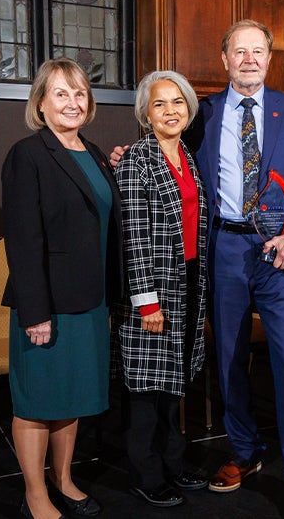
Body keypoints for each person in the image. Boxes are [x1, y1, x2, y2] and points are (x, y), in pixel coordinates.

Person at [183, 19, 284, 519]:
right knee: (228, 360)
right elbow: (172, 161)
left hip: (279, 253)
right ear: (224, 60)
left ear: (268, 59)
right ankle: (244, 452)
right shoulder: (201, 114)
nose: (248, 59)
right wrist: (126, 156)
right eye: (238, 52)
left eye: (257, 51)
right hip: (224, 247)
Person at [1, 58, 120, 519]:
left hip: (90, 302)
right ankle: (35, 494)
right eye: (61, 94)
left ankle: (64, 479)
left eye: (79, 94)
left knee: (71, 398)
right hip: (47, 304)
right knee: (37, 403)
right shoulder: (28, 154)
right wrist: (34, 312)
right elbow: (23, 240)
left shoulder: (93, 153)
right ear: (41, 104)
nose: (73, 103)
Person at [115, 70, 210, 507]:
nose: (170, 110)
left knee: (174, 385)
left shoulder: (187, 156)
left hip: (188, 281)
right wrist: (146, 300)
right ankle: (146, 473)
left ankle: (173, 462)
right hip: (153, 289)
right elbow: (132, 236)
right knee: (147, 390)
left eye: (177, 102)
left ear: (188, 109)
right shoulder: (137, 159)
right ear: (145, 113)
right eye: (159, 104)